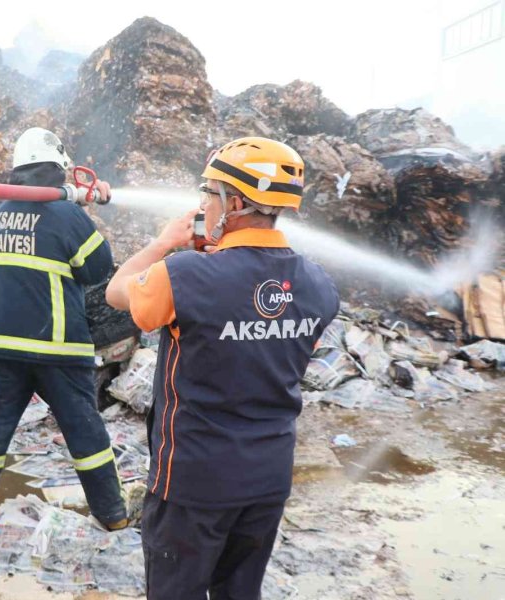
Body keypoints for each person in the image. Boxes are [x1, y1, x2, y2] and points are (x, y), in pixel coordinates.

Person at [105, 137, 340, 599]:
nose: (202, 205)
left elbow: (117, 292)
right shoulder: (319, 285)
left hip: (193, 483)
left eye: (208, 194)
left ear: (233, 203)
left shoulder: (184, 275)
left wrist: (164, 243)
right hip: (268, 481)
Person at [0, 127, 128, 554]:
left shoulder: (3, 208)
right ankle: (113, 512)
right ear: (59, 168)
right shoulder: (67, 216)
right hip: (59, 349)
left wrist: (77, 197)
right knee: (86, 434)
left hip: (4, 348)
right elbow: (99, 268)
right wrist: (85, 207)